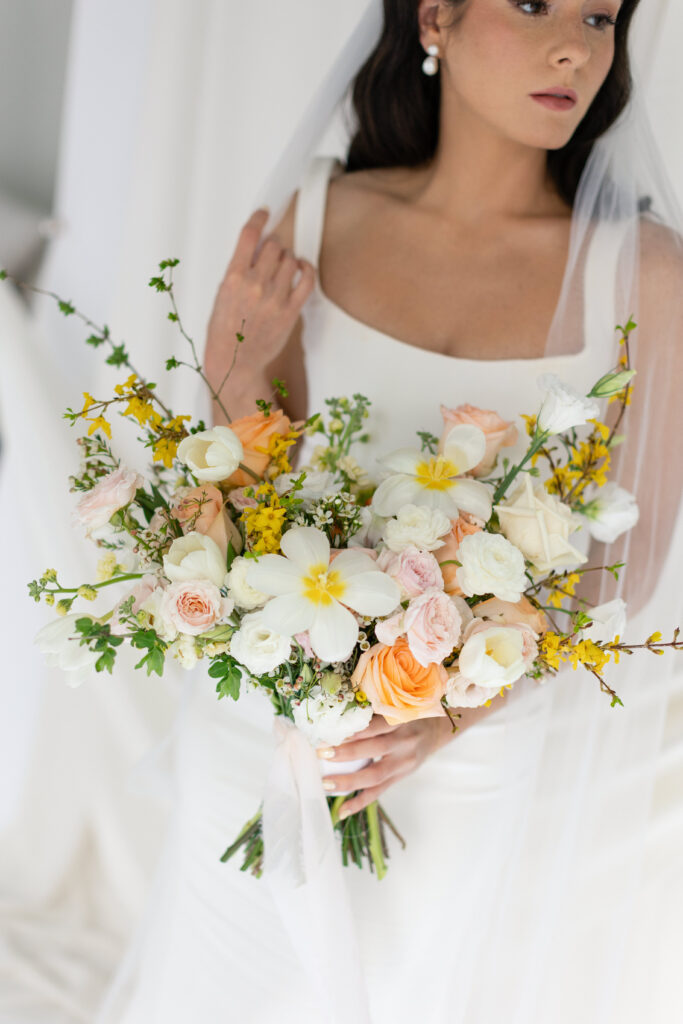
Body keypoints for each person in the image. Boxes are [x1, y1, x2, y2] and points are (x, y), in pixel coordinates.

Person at [100, 2, 683, 1022]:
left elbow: (619, 574)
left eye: (600, 16)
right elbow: (233, 493)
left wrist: (443, 714)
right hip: (268, 725)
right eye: (537, 5)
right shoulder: (317, 215)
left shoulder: (645, 275)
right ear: (437, 20)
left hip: (469, 754)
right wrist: (233, 359)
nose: (574, 48)